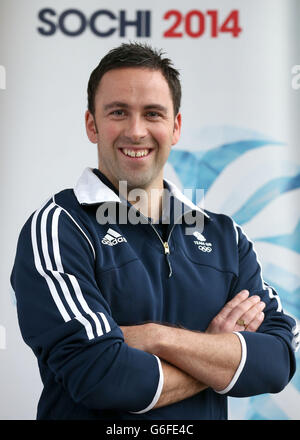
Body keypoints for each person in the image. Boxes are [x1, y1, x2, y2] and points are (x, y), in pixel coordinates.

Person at [11, 43, 297, 420]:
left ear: (175, 127)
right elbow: (102, 376)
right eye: (118, 112)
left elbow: (278, 359)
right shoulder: (59, 228)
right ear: (91, 124)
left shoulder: (226, 237)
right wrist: (217, 351)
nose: (136, 131)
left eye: (153, 114)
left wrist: (155, 337)